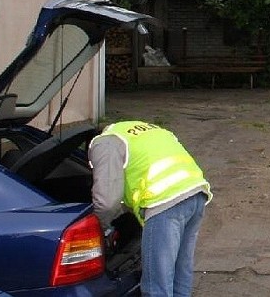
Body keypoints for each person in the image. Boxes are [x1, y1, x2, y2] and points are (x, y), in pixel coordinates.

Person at [88, 120, 213, 297]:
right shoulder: (143, 130)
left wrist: (99, 229)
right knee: (180, 270)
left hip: (165, 203)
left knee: (156, 285)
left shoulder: (105, 142)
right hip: (195, 193)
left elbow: (107, 202)